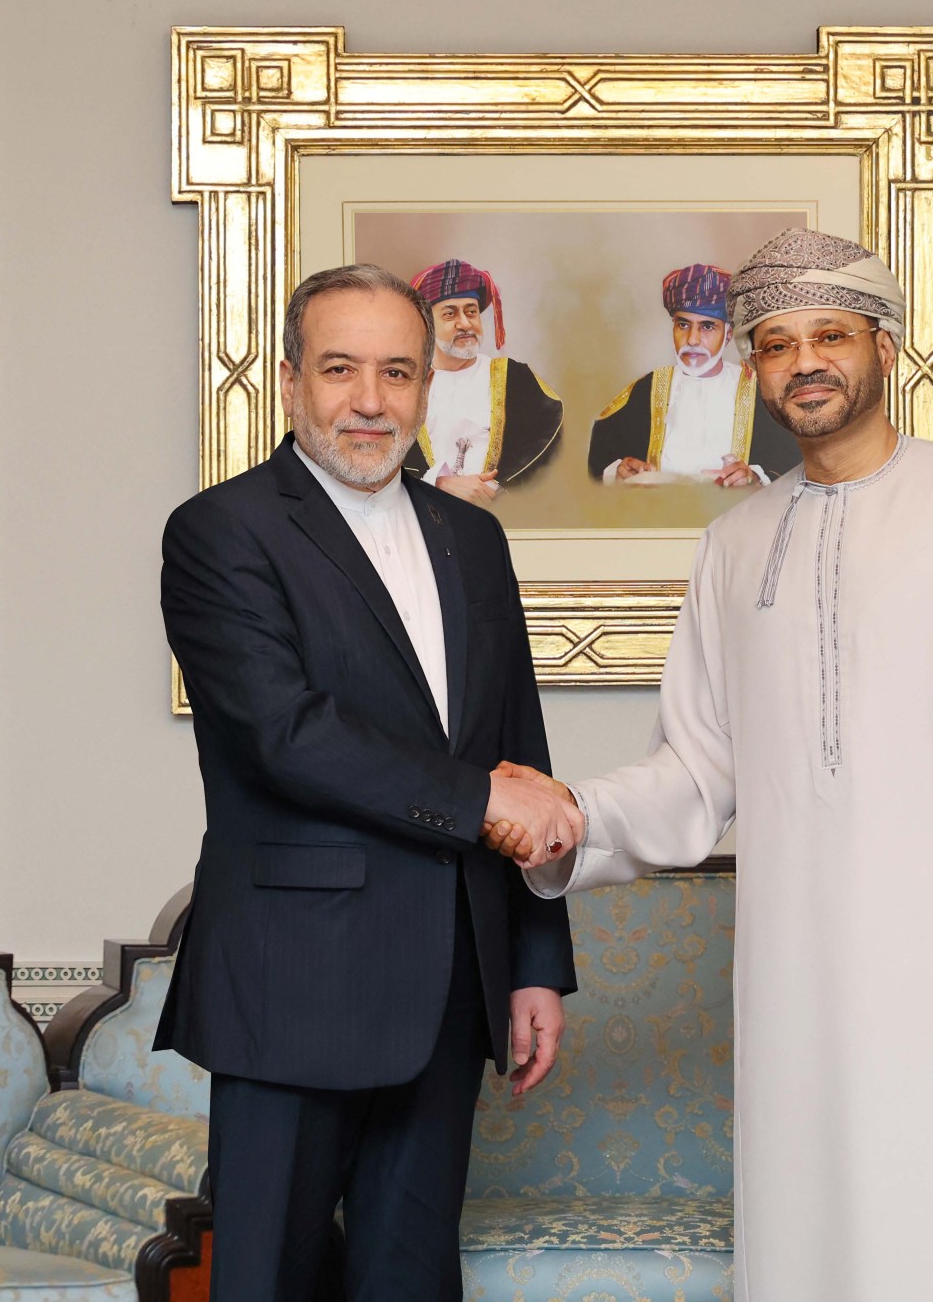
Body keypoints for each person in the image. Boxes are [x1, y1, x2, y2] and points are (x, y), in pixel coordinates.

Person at [483, 229, 933, 1302]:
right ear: (755, 370)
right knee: (813, 1219)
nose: (805, 362)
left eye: (831, 336)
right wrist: (575, 814)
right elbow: (696, 769)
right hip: (795, 973)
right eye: (776, 344)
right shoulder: (732, 545)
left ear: (884, 348)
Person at [157, 263, 579, 1301]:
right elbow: (285, 735)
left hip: (453, 983)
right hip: (293, 980)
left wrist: (534, 963)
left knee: (411, 1282)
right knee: (267, 1282)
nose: (370, 400)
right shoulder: (219, 531)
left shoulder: (473, 538)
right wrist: (483, 802)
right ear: (291, 381)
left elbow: (517, 746)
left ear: (427, 386)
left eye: (397, 372)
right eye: (340, 369)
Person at [588, 263, 801, 488]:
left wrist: (755, 477)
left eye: (707, 327)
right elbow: (601, 460)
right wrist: (619, 470)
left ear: (728, 334)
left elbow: (793, 463)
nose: (692, 340)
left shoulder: (760, 391)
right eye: (683, 325)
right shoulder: (647, 390)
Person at [400, 257, 563, 504]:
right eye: (450, 314)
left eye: (471, 312)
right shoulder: (405, 386)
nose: (465, 323)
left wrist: (496, 490)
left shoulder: (515, 378)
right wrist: (438, 482)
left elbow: (550, 441)